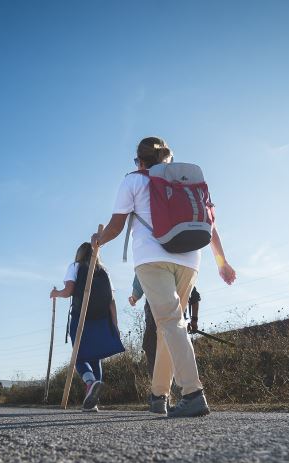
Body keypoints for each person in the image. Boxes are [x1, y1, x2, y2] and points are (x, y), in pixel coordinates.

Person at [93, 137, 236, 417]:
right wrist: (222, 262)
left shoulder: (133, 181)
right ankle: (159, 395)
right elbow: (210, 224)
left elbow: (115, 226)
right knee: (169, 326)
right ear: (168, 159)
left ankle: (193, 393)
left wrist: (98, 240)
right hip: (190, 260)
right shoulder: (183, 181)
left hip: (152, 258)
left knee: (170, 323)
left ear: (141, 161)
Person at [50, 242, 125, 411]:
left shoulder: (75, 266)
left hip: (81, 318)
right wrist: (115, 325)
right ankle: (92, 401)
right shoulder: (104, 271)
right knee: (95, 357)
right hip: (101, 319)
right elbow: (111, 301)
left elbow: (68, 291)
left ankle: (90, 382)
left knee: (79, 355)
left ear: (79, 254)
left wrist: (55, 293)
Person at [129, 277, 201, 379]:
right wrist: (194, 321)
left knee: (165, 357)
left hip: (166, 325)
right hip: (159, 325)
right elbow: (194, 297)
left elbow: (194, 296)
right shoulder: (178, 270)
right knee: (155, 352)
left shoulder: (175, 272)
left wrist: (194, 320)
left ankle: (168, 390)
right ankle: (164, 390)